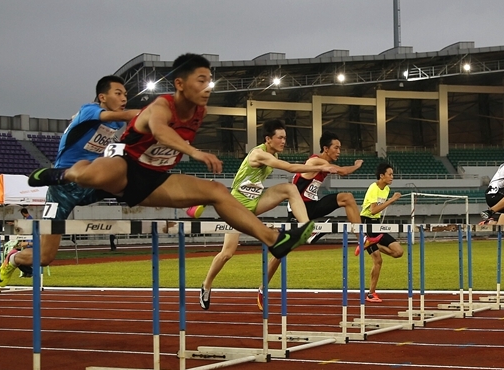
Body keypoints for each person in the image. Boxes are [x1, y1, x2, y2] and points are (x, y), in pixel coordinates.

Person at [27, 54, 318, 287]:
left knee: (217, 192)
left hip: (150, 179)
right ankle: (60, 176)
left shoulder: (198, 113)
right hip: (91, 181)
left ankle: (274, 240)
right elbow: (157, 129)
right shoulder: (153, 107)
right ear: (180, 84)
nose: (207, 87)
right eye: (200, 80)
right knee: (49, 248)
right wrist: (193, 151)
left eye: (209, 81)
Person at [0, 75, 140, 286]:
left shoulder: (116, 122)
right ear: (102, 97)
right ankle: (13, 258)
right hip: (60, 188)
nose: (123, 98)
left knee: (132, 183)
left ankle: (187, 203)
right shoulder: (89, 110)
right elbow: (128, 115)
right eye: (118, 93)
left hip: (88, 181)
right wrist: (152, 113)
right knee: (45, 258)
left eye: (125, 95)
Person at [197, 119, 339, 310]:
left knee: (290, 189)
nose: (283, 141)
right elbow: (290, 167)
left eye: (285, 137)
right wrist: (319, 167)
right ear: (268, 139)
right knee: (227, 253)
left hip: (255, 203)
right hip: (236, 206)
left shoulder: (272, 152)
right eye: (280, 137)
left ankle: (308, 229)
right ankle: (206, 286)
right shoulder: (259, 154)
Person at [256, 131, 383, 308]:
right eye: (336, 148)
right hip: (298, 210)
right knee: (280, 252)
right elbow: (344, 172)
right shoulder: (316, 161)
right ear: (325, 148)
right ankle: (262, 288)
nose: (339, 151)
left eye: (340, 148)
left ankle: (362, 239)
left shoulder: (324, 163)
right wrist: (356, 165)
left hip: (311, 206)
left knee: (347, 198)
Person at [359, 162, 404, 303]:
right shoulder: (374, 188)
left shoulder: (386, 189)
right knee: (378, 260)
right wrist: (392, 200)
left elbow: (377, 212)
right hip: (366, 223)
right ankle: (371, 293)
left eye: (392, 174)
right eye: (390, 174)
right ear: (381, 176)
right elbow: (372, 210)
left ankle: (371, 244)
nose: (392, 177)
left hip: (376, 224)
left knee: (398, 252)